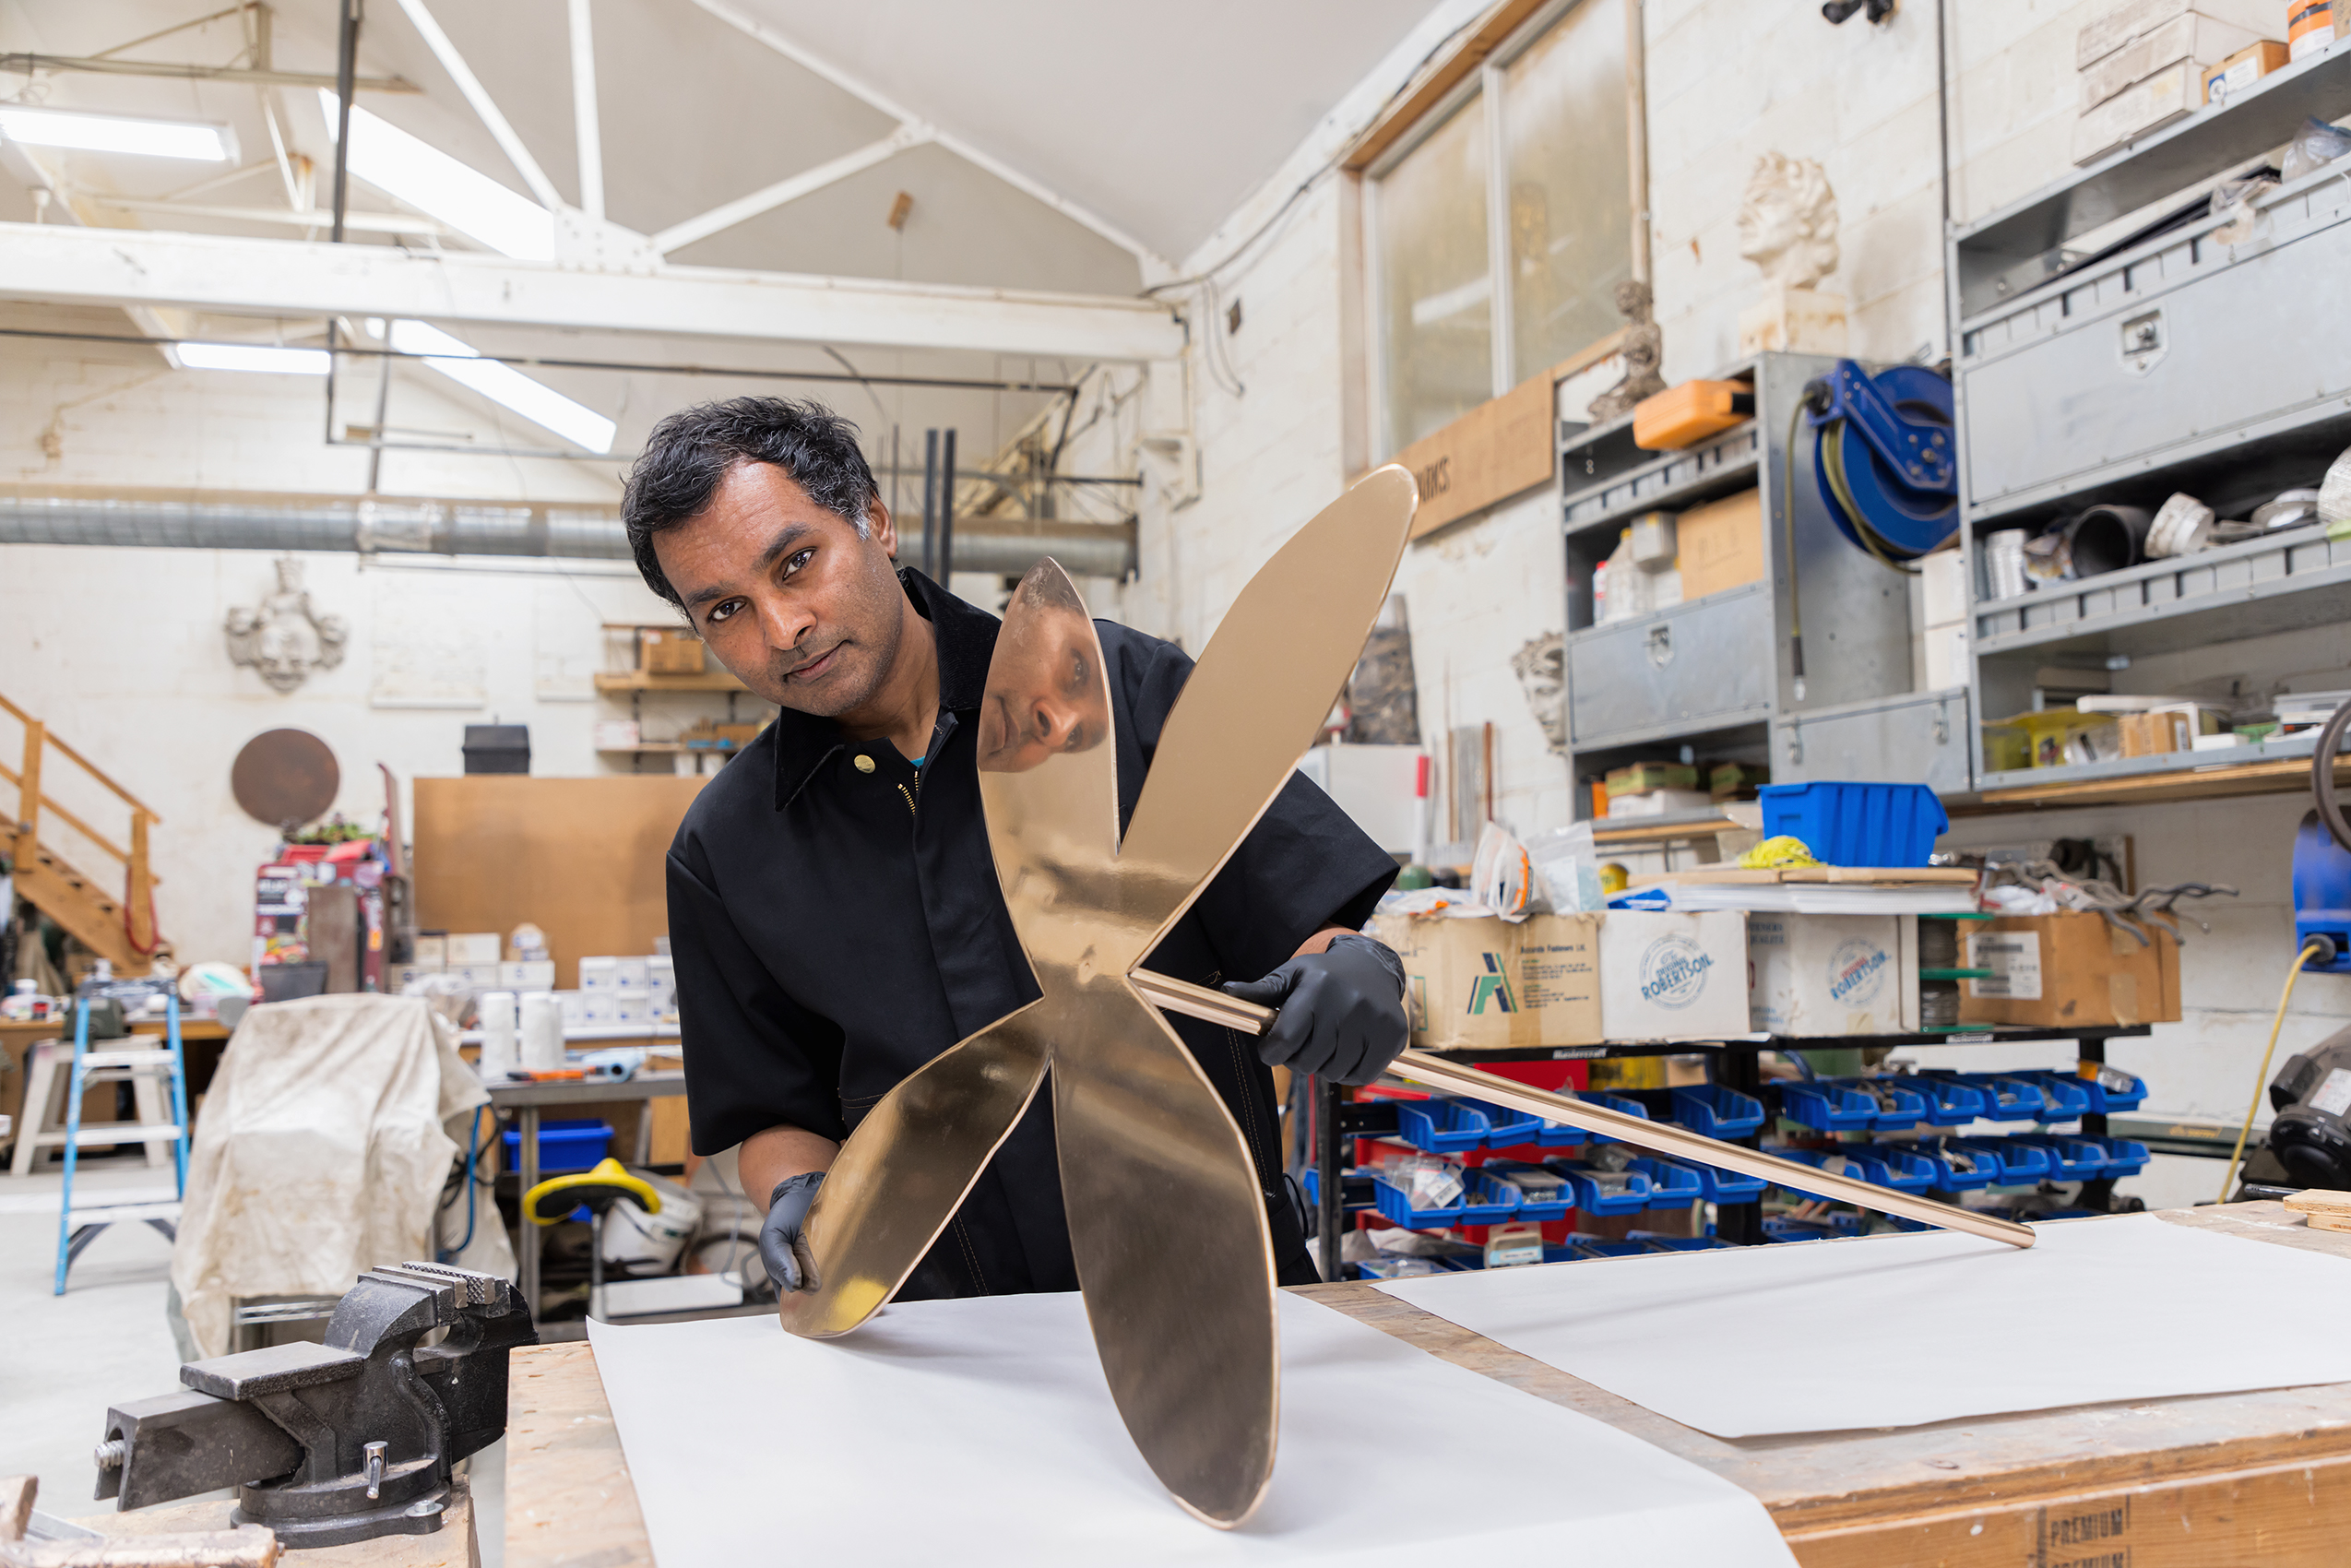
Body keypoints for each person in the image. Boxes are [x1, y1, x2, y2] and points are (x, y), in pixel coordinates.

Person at [622, 397, 1409, 1301]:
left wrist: (1351, 967)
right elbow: (771, 1106)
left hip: (1215, 1298)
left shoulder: (1114, 691)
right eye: (724, 609)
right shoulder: (724, 848)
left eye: (796, 562)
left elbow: (1301, 915)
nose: (780, 627)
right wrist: (796, 1190)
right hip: (946, 1343)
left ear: (872, 518)